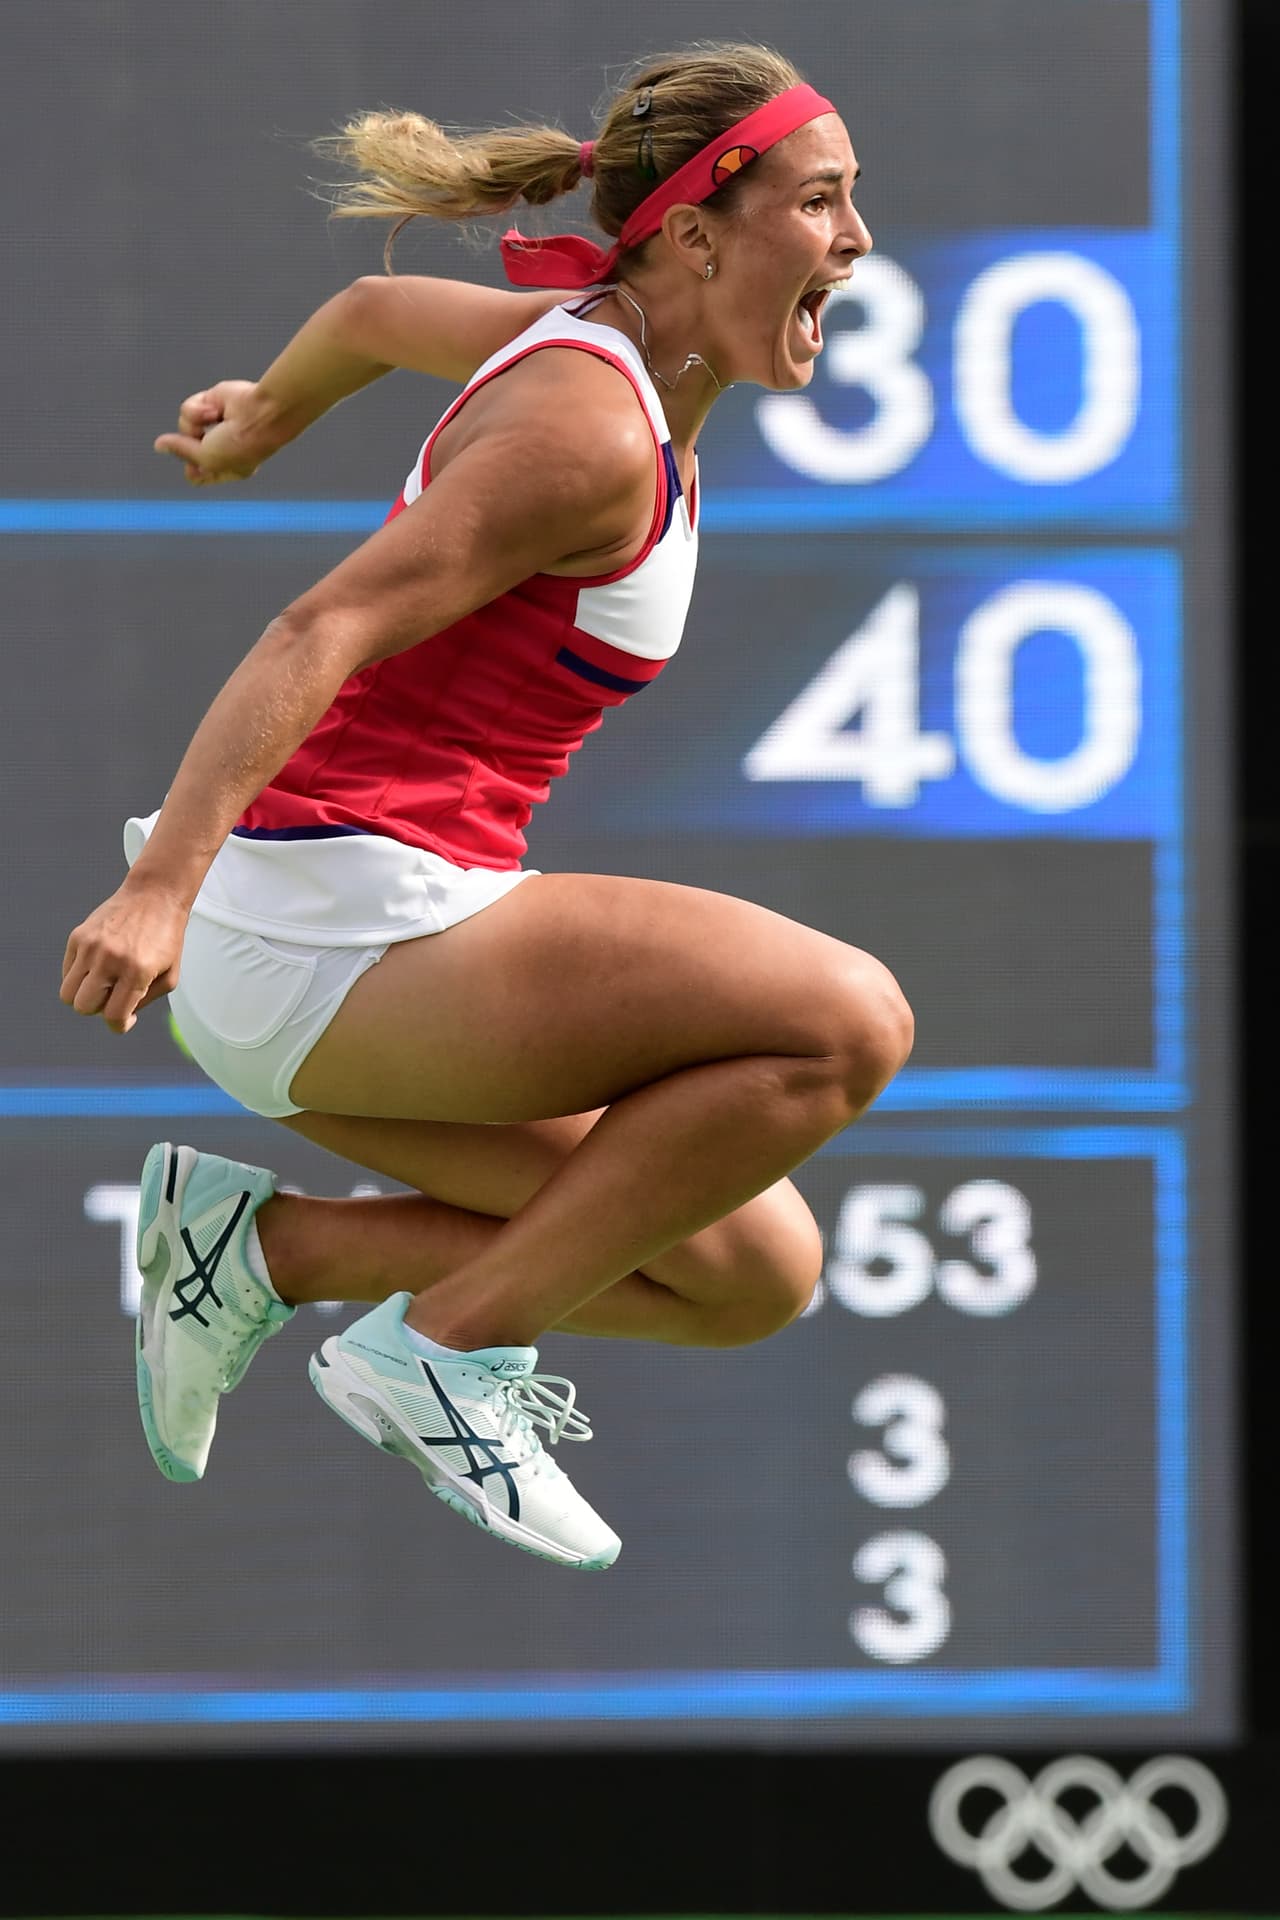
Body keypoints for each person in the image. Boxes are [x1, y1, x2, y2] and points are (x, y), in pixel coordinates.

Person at [61, 44, 911, 1571]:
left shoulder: (597, 344)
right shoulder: (588, 435)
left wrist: (267, 415)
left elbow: (377, 315)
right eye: (825, 202)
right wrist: (158, 892)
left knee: (747, 1273)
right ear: (700, 234)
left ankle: (254, 1252)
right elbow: (315, 630)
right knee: (847, 1019)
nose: (855, 241)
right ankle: (437, 1352)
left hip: (348, 959)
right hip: (327, 927)